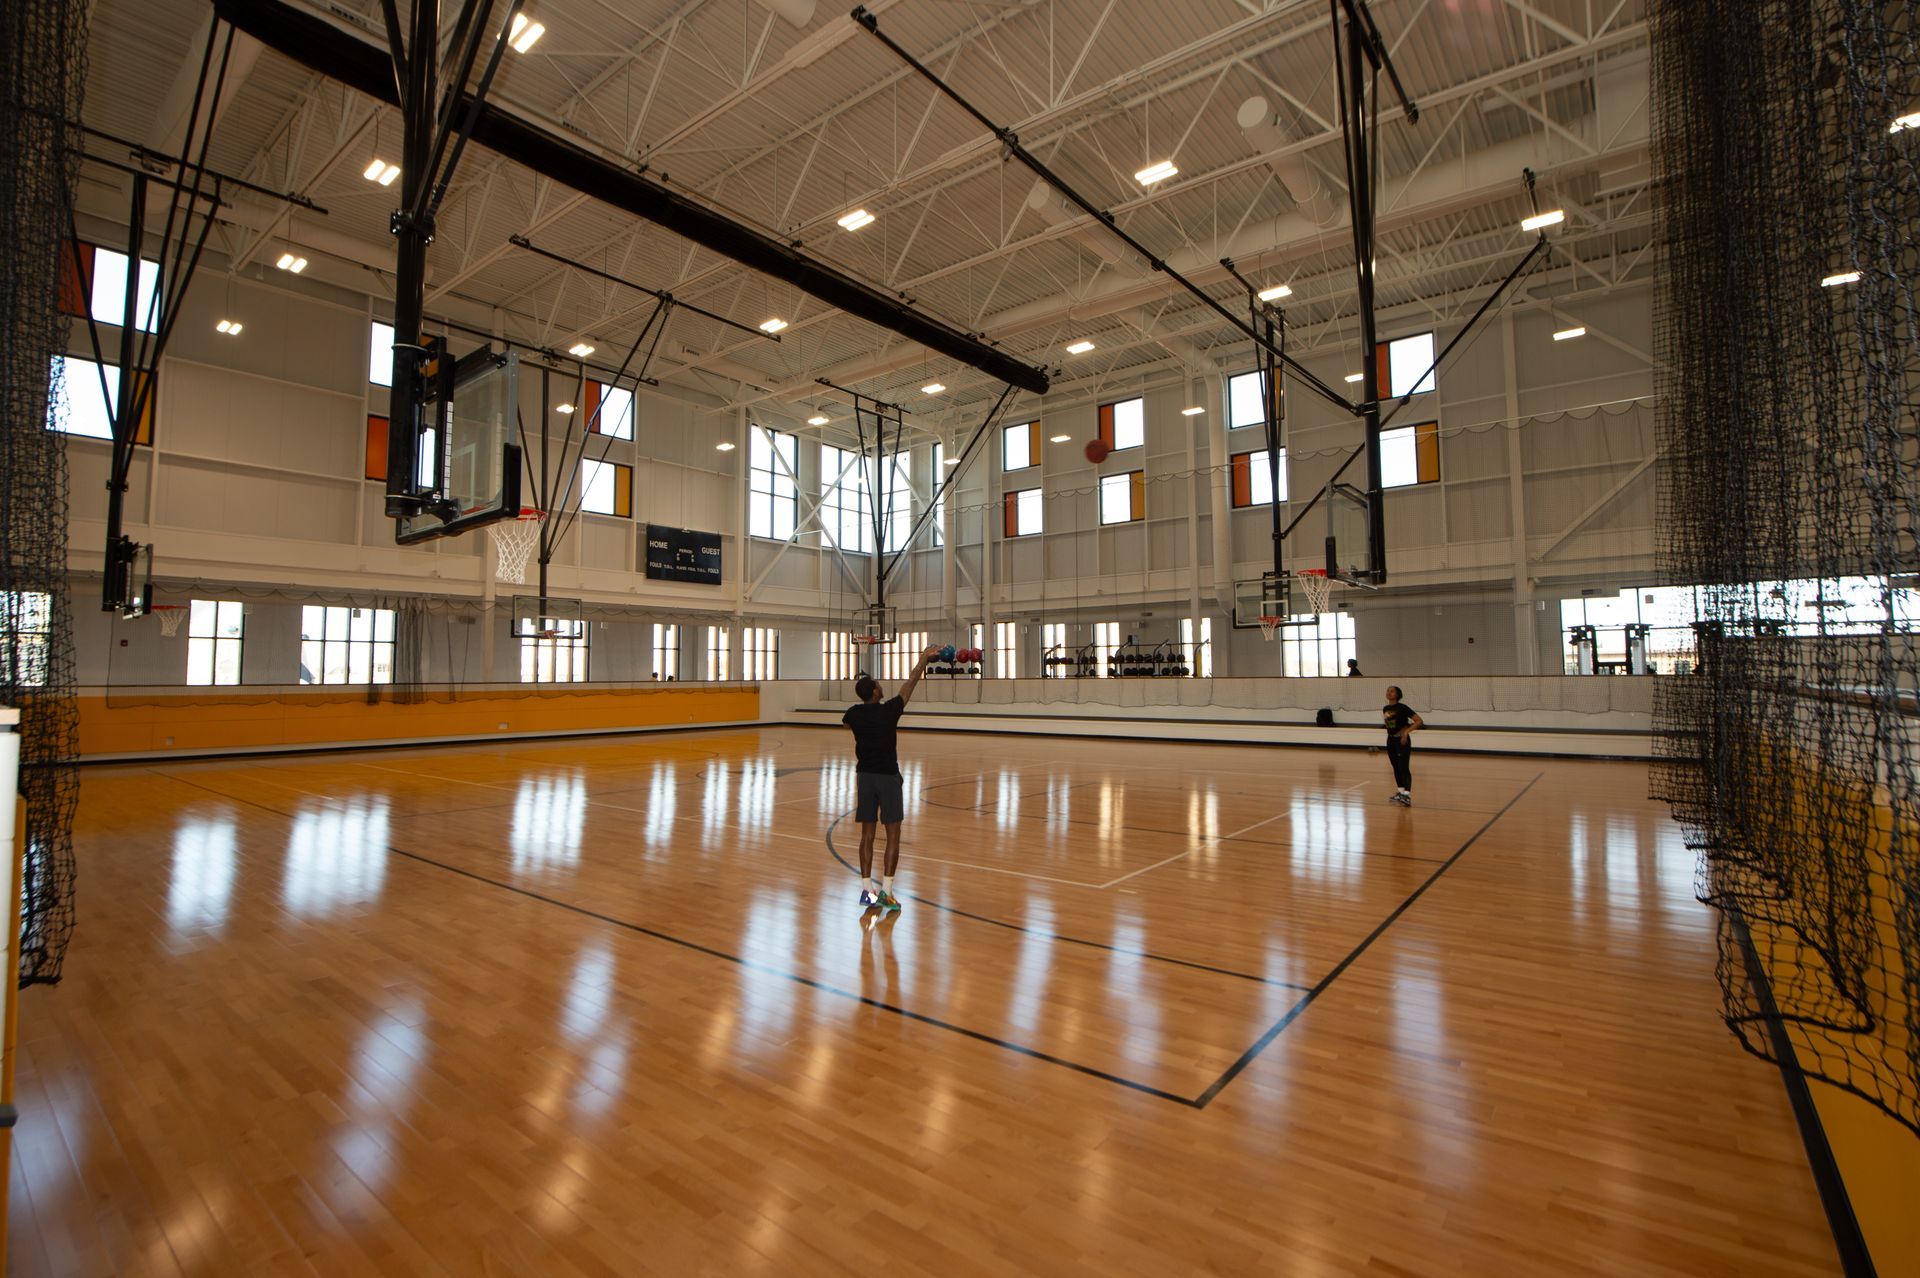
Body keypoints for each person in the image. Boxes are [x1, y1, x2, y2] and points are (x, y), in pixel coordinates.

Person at [842, 644, 940, 911]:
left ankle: (866, 891)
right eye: (877, 684)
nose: (881, 685)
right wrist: (922, 659)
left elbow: (847, 723)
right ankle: (886, 891)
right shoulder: (889, 711)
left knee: (867, 836)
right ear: (875, 691)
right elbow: (910, 684)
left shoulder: (854, 713)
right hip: (887, 776)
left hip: (864, 777)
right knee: (893, 835)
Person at [1382, 685, 1422, 806]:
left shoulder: (1403, 707)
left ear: (1398, 694)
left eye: (1392, 691)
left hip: (1402, 741)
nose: (1389, 692)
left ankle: (1406, 796)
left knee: (1403, 767)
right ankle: (1400, 792)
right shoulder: (1385, 708)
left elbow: (1419, 721)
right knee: (1395, 766)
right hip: (1390, 741)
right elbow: (1389, 724)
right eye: (1388, 690)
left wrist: (1406, 732)